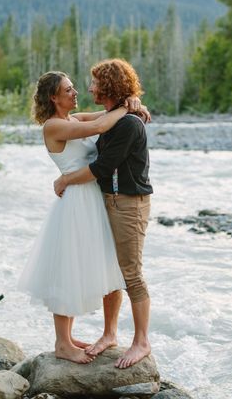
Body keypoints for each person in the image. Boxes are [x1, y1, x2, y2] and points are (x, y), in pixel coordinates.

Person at [17, 70, 147, 364]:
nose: (76, 93)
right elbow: (103, 124)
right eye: (68, 90)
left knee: (87, 266)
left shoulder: (72, 119)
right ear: (53, 97)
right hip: (76, 203)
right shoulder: (53, 126)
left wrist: (132, 103)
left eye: (74, 88)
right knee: (68, 269)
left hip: (92, 201)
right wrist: (129, 106)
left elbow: (106, 115)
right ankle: (62, 343)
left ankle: (73, 336)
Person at [54, 58, 153, 369]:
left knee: (131, 274)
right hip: (109, 201)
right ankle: (110, 334)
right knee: (113, 271)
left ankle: (141, 342)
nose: (89, 87)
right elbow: (89, 122)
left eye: (95, 82)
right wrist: (126, 105)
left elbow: (100, 168)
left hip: (129, 203)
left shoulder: (127, 123)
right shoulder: (114, 117)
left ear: (108, 86)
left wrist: (66, 179)